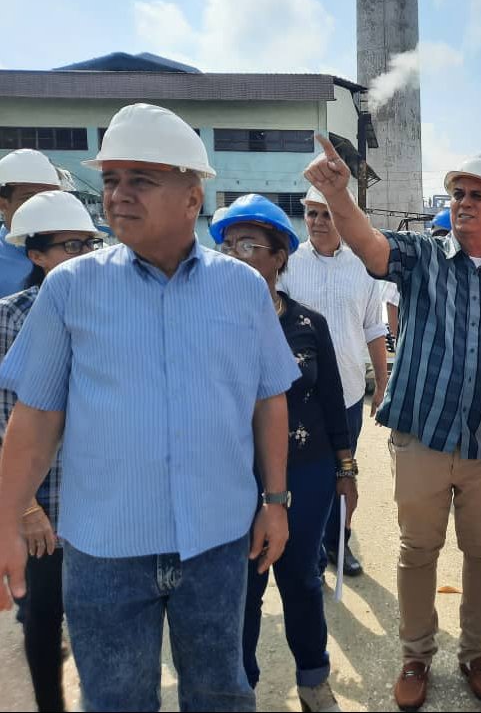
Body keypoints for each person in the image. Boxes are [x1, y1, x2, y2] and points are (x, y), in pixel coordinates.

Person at [0, 103, 300, 712]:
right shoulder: (69, 289)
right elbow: (34, 419)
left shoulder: (242, 288)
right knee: (115, 701)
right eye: (111, 180)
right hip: (105, 552)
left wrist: (274, 502)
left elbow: (270, 399)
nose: (117, 195)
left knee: (220, 693)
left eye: (141, 179)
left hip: (217, 543)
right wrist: (7, 518)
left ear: (193, 198)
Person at [304, 141, 481, 711]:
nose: (463, 203)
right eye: (457, 193)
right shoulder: (422, 257)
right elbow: (369, 245)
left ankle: (476, 653)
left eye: (476, 195)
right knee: (418, 549)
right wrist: (338, 194)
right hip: (421, 434)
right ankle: (415, 654)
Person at [211, 194, 355, 713]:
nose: (236, 253)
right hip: (236, 478)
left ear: (279, 257)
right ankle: (240, 686)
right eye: (228, 244)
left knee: (301, 579)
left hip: (310, 474)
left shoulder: (307, 323)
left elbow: (333, 399)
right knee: (244, 590)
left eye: (250, 244)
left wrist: (346, 468)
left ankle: (314, 679)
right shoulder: (209, 324)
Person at [0, 191, 106, 712]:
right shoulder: (9, 318)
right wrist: (26, 508)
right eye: (70, 246)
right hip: (44, 506)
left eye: (90, 243)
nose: (85, 255)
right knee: (42, 618)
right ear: (35, 255)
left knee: (100, 620)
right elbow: (4, 418)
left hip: (104, 504)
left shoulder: (112, 312)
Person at [280, 184, 388, 578]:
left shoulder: (364, 266)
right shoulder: (289, 265)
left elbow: (374, 326)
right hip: (298, 397)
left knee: (343, 473)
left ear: (342, 218)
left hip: (347, 392)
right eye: (312, 213)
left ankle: (338, 544)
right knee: (306, 476)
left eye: (327, 214)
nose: (318, 222)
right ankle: (307, 553)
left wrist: (383, 383)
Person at [0, 150, 63, 297]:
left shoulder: (80, 250)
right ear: (3, 204)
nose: (43, 206)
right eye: (30, 198)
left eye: (51, 197)